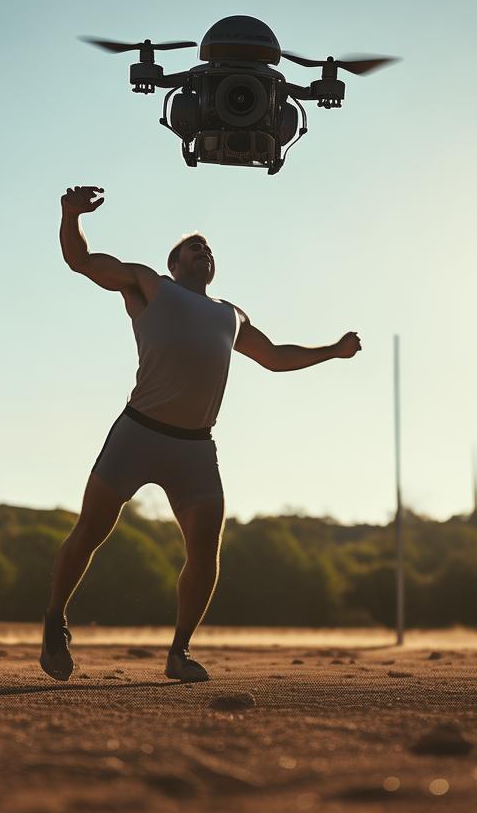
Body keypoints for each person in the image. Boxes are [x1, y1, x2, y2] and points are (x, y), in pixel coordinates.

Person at [41, 185, 362, 683]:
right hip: (137, 432)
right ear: (174, 263)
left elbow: (275, 357)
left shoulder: (230, 315)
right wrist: (70, 214)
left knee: (205, 552)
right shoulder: (148, 285)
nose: (204, 251)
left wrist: (333, 350)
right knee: (91, 531)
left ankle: (179, 651)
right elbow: (79, 260)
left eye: (209, 248)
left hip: (195, 448)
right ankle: (55, 621)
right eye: (195, 246)